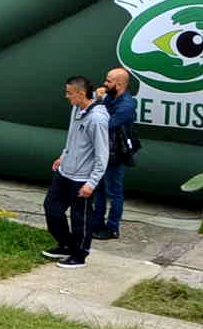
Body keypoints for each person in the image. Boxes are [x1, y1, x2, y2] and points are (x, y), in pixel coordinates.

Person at [40, 75, 108, 267]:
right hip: (64, 172)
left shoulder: (97, 120)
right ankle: (66, 245)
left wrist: (91, 183)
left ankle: (80, 255)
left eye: (69, 93)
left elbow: (102, 155)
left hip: (83, 178)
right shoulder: (76, 108)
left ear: (80, 93)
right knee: (52, 208)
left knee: (80, 219)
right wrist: (63, 156)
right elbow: (73, 139)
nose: (66, 96)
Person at [89, 66, 138, 242]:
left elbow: (107, 124)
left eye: (109, 81)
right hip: (102, 150)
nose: (105, 83)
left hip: (115, 153)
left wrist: (100, 101)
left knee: (114, 192)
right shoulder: (109, 97)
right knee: (99, 189)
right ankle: (97, 223)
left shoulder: (127, 104)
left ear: (119, 84)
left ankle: (112, 227)